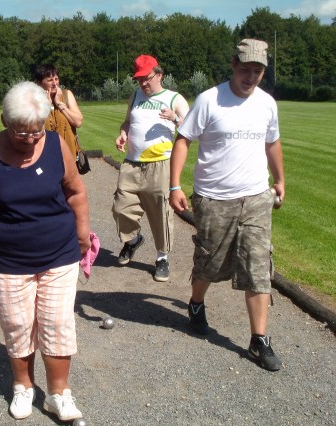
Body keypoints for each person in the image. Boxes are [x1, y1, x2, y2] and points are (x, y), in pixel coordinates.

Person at [0, 81, 91, 422]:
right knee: (18, 325)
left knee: (57, 322)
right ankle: (23, 386)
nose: (29, 139)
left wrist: (83, 232)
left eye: (36, 132)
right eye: (21, 132)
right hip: (5, 259)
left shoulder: (56, 145)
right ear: (6, 123)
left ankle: (58, 394)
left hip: (59, 252)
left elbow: (76, 192)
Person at [169, 39, 285, 371]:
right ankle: (195, 303)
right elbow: (183, 140)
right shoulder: (209, 100)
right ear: (234, 64)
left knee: (258, 266)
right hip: (213, 198)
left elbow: (272, 143)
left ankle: (258, 339)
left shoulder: (267, 104)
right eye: (246, 69)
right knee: (209, 262)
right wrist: (175, 184)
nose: (251, 77)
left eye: (258, 71)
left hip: (256, 197)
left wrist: (279, 180)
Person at [113, 55, 189, 282]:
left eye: (146, 79)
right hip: (132, 163)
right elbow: (127, 121)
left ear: (159, 75)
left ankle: (162, 258)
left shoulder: (174, 98)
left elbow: (192, 130)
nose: (143, 84)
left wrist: (175, 118)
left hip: (160, 164)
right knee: (120, 207)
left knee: (160, 214)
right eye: (139, 80)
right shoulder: (135, 96)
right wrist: (123, 133)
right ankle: (133, 240)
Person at [34, 64, 83, 161]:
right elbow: (34, 128)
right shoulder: (35, 100)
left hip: (68, 154)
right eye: (50, 80)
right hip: (45, 155)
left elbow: (78, 122)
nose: (54, 83)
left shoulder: (66, 95)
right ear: (40, 83)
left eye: (56, 79)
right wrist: (46, 106)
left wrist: (60, 104)